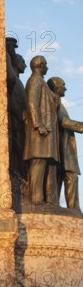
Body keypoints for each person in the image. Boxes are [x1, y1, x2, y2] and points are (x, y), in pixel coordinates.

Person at [23, 56, 59, 206]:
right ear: (40, 65)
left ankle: (42, 197)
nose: (48, 67)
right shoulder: (35, 81)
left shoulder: (41, 82)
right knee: (38, 163)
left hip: (45, 131)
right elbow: (32, 102)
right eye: (46, 65)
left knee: (43, 163)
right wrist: (38, 124)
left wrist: (55, 101)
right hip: (39, 131)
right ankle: (36, 198)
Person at [47, 77, 83, 211]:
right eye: (63, 85)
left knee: (61, 177)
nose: (65, 88)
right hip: (63, 147)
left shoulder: (57, 102)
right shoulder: (54, 101)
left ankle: (62, 207)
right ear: (56, 87)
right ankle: (74, 209)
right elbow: (64, 122)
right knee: (70, 176)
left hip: (62, 147)